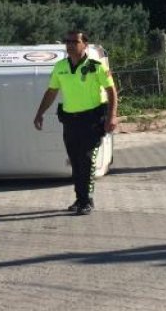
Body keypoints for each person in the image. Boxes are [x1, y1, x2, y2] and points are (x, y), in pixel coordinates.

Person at [33, 31, 118, 215]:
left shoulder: (97, 67)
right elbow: (51, 92)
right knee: (76, 162)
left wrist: (112, 117)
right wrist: (40, 113)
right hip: (70, 121)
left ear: (85, 44)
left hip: (92, 121)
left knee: (86, 160)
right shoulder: (60, 67)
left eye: (75, 41)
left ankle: (85, 201)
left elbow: (111, 92)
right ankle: (81, 199)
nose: (70, 44)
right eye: (68, 41)